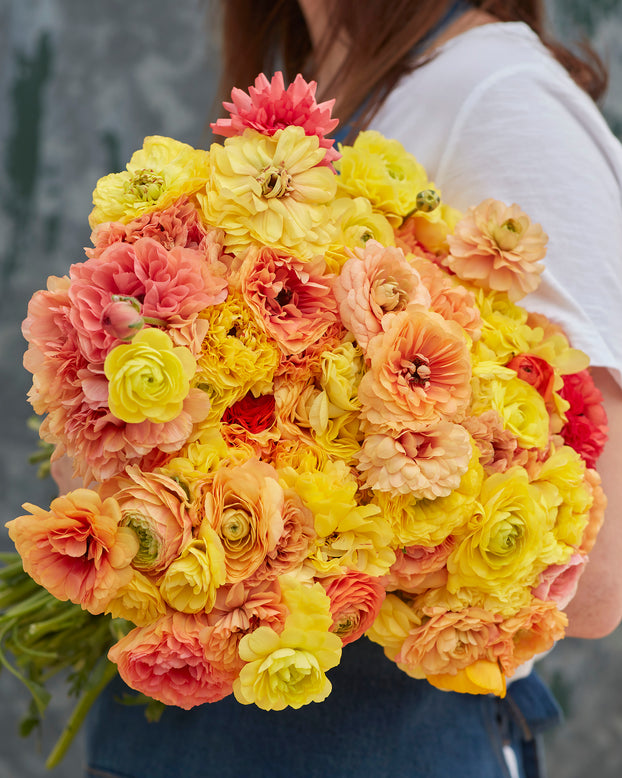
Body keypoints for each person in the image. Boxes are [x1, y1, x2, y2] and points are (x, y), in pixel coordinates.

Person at [83, 1, 622, 776]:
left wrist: (273, 517)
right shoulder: (342, 79)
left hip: (370, 742)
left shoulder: (498, 97)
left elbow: (595, 582)